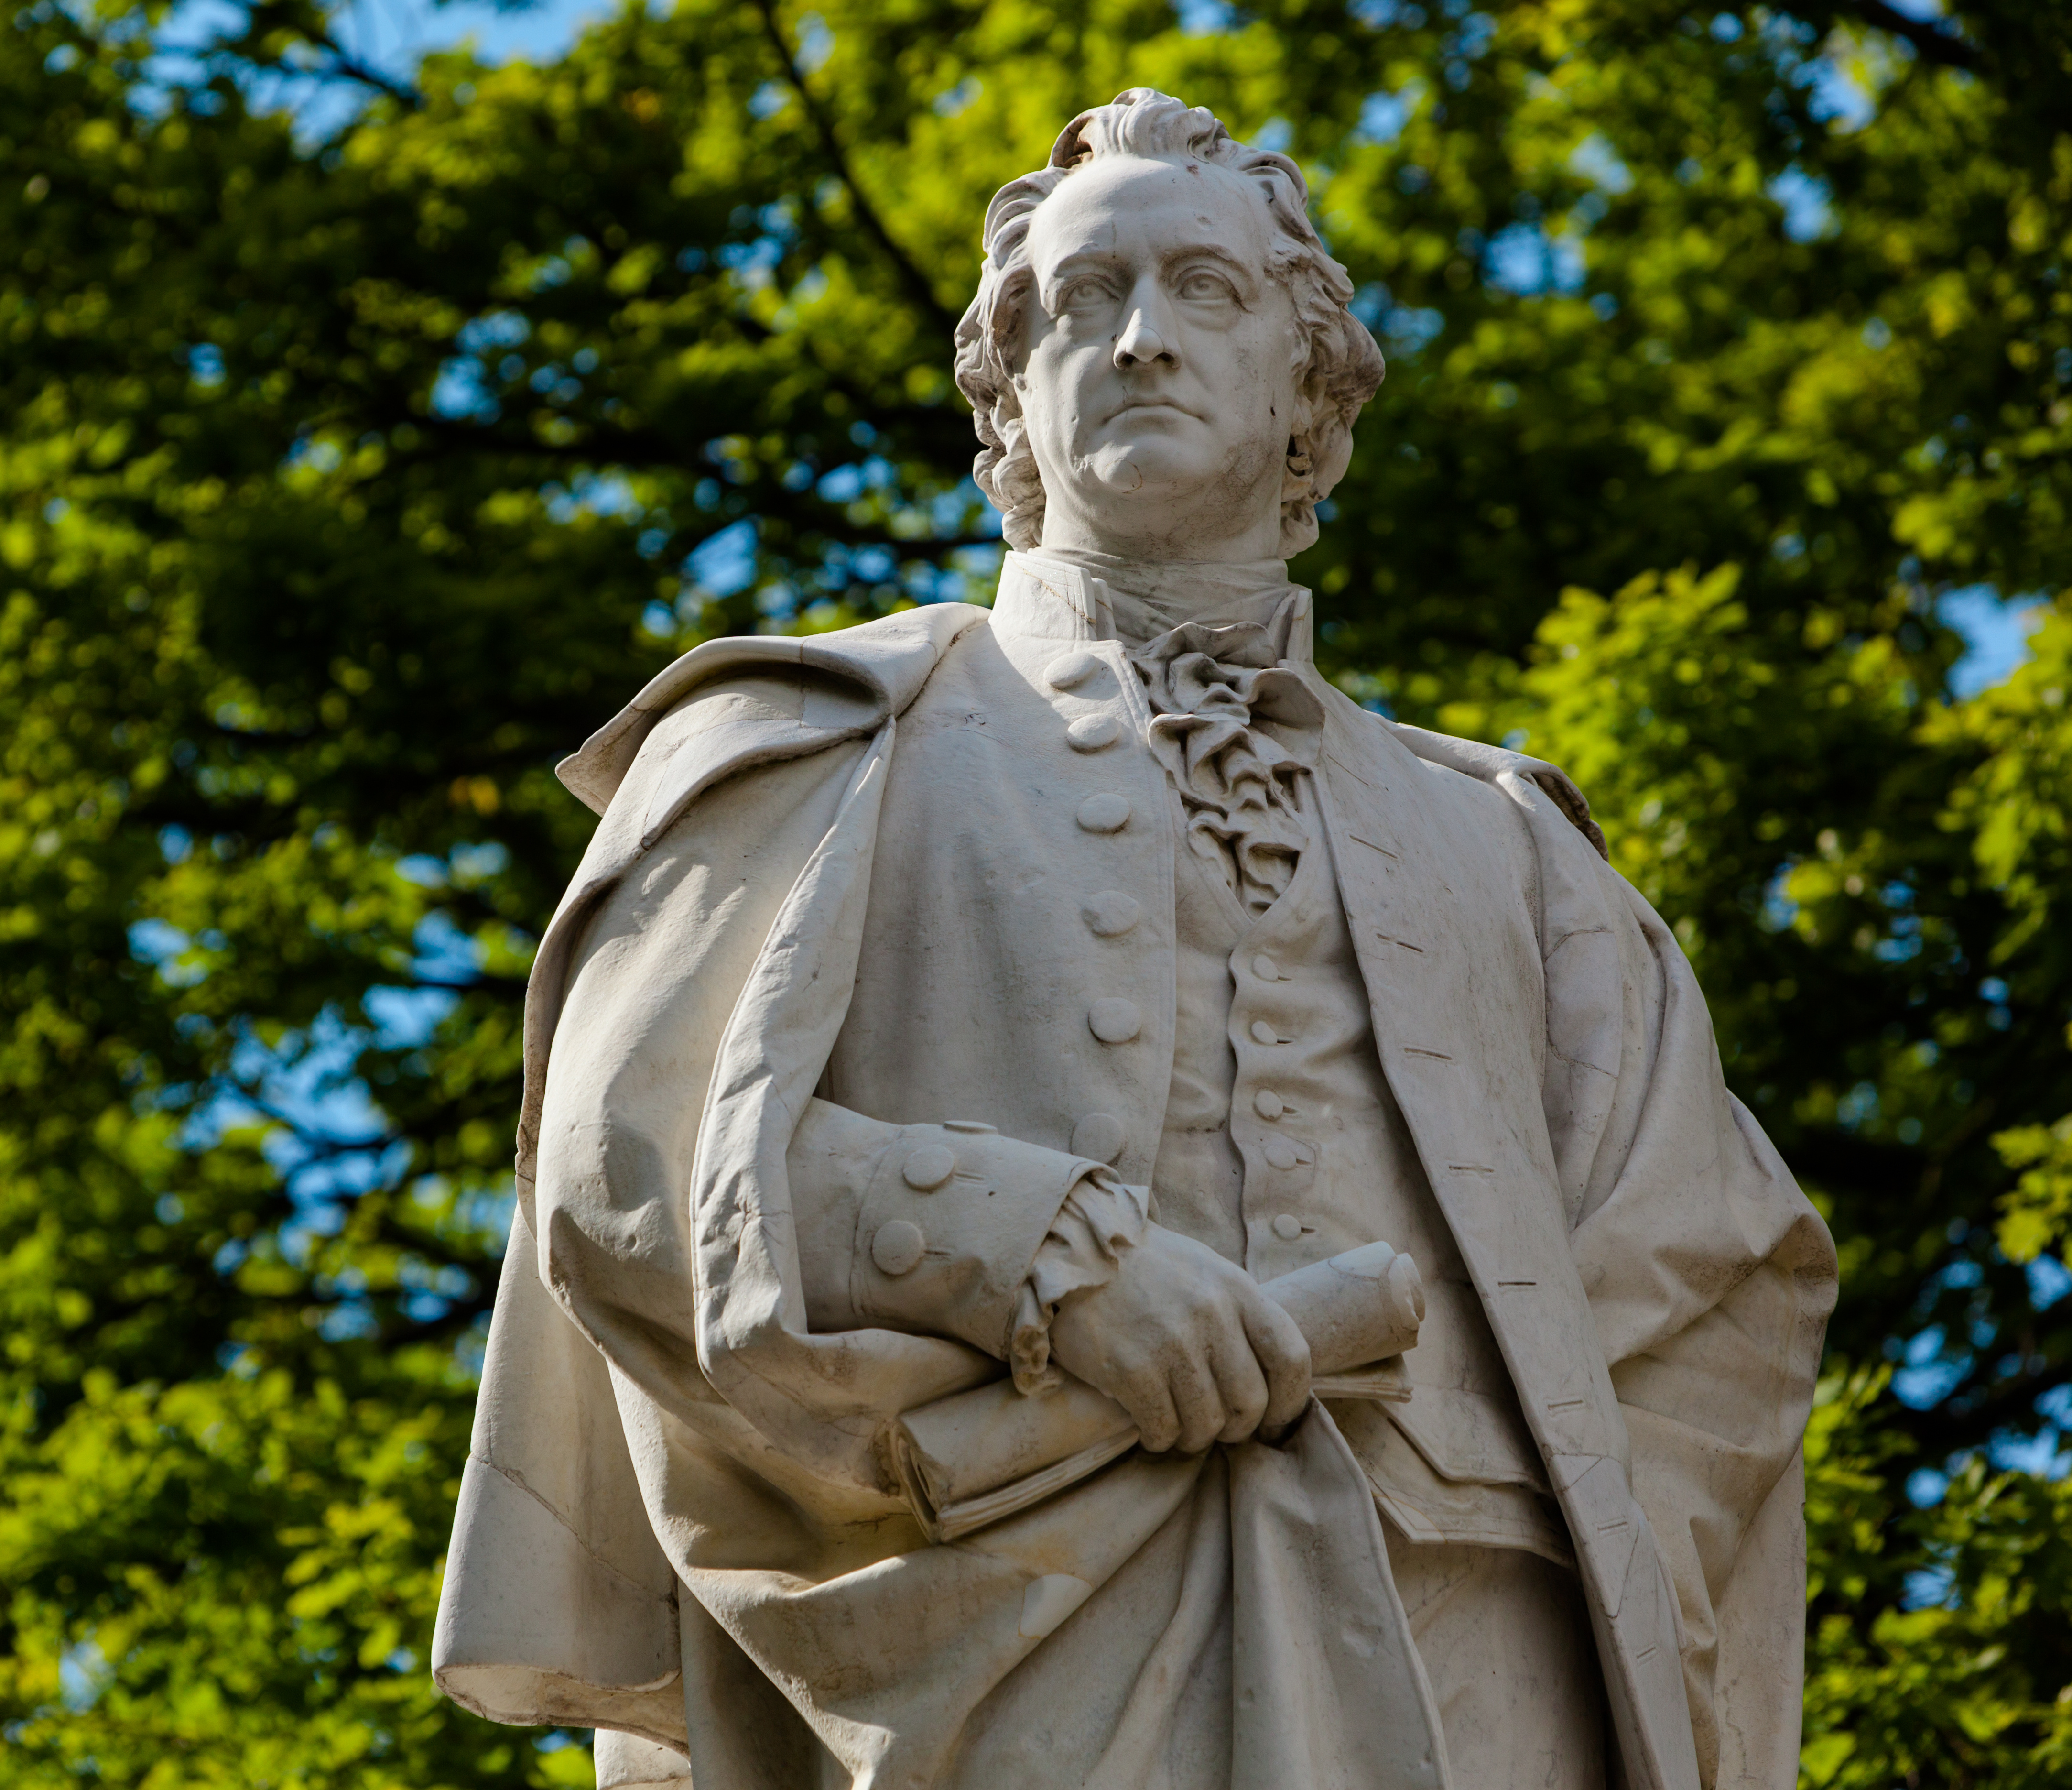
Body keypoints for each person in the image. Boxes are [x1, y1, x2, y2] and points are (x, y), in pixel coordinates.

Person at [433, 88, 1834, 1790]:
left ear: (1311, 390)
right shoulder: (803, 745)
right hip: (998, 1612)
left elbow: (1726, 1286)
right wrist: (1041, 1255)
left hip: (1474, 1661)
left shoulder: (1524, 859)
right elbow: (627, 1164)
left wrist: (1549, 1522)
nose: (1141, 340)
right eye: (1084, 304)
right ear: (1010, 396)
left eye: (1205, 292)